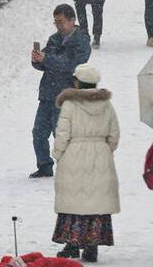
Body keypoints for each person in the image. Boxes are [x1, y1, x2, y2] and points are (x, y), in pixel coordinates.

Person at [51, 64, 120, 263]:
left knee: (74, 200)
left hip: (74, 153)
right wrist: (104, 150)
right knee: (96, 202)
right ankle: (92, 246)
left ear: (78, 82)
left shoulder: (70, 104)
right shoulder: (107, 105)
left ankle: (72, 243)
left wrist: (57, 153)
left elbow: (63, 133)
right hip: (100, 153)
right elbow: (114, 134)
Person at [30, 4, 91, 179]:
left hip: (67, 94)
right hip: (48, 92)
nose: (58, 26)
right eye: (56, 22)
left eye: (61, 22)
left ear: (72, 20)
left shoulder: (81, 41)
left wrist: (48, 59)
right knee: (39, 132)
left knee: (61, 132)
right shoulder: (54, 39)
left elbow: (73, 65)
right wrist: (37, 60)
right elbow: (46, 63)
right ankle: (44, 166)